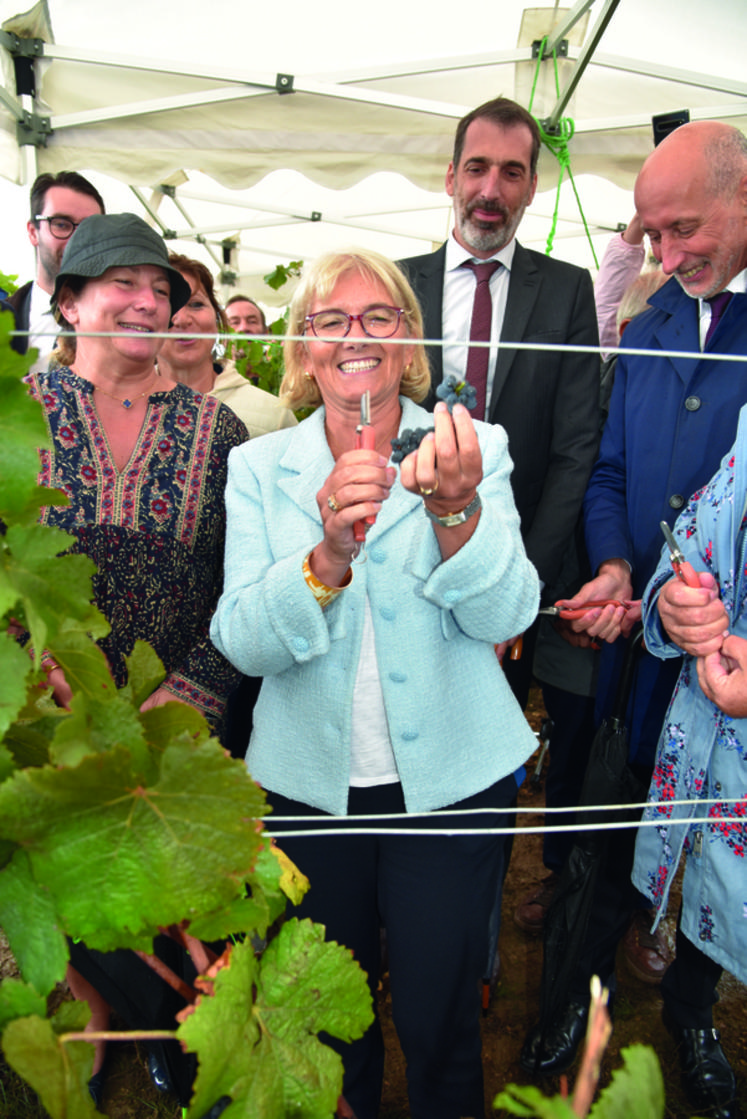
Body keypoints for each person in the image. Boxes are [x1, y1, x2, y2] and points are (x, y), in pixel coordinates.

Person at [210, 247, 540, 1119]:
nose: (354, 336)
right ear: (304, 350)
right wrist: (324, 559)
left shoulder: (472, 446)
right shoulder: (258, 466)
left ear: (407, 340)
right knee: (326, 1026)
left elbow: (508, 611)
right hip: (310, 794)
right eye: (329, 320)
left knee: (440, 1023)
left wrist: (453, 510)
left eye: (377, 317)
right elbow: (241, 642)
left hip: (453, 787)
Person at [520, 120, 747, 1110]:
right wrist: (616, 562)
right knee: (605, 820)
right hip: (637, 661)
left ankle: (695, 1013)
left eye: (684, 228)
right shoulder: (652, 324)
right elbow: (610, 468)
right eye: (651, 234)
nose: (663, 256)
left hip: (729, 665)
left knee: (712, 839)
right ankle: (577, 993)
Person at [27, 212, 248, 1109]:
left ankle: (171, 1034)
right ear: (69, 301)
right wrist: (28, 662)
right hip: (50, 714)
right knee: (72, 882)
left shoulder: (218, 429)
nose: (146, 300)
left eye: (161, 288)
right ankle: (92, 1024)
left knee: (171, 885)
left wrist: (190, 697)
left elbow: (243, 589)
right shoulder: (22, 413)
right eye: (122, 281)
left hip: (176, 717)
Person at [398, 95, 600, 708]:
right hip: (406, 555)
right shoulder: (399, 282)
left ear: (534, 186)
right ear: (450, 176)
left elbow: (574, 450)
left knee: (487, 745)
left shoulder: (568, 290)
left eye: (512, 172)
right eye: (478, 167)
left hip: (518, 557)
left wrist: (523, 586)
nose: (491, 188)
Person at [632, 405, 747, 1119]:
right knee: (709, 872)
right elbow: (689, 547)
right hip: (717, 746)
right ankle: (692, 1010)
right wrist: (672, 605)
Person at [157, 253, 297, 438]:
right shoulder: (122, 406)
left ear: (217, 318)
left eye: (196, 304)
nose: (182, 320)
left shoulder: (273, 414)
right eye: (170, 305)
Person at [10, 171, 105, 369]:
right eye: (61, 225)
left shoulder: (128, 326)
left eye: (90, 229)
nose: (77, 240)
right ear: (33, 232)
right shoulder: (7, 319)